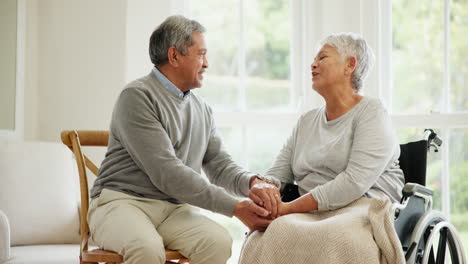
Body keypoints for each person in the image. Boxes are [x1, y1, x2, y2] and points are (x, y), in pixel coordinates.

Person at [87, 15, 280, 264]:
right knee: (146, 249)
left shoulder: (202, 109)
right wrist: (234, 207)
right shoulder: (137, 96)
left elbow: (219, 166)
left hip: (174, 210)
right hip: (122, 203)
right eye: (201, 54)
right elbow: (167, 172)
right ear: (174, 56)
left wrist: (252, 182)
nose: (207, 63)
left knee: (217, 242)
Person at [240, 32, 406, 264]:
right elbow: (277, 174)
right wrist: (264, 192)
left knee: (336, 238)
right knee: (265, 235)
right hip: (309, 213)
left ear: (350, 65)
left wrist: (287, 209)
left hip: (361, 207)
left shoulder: (371, 112)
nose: (313, 64)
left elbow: (353, 182)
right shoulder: (307, 121)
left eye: (322, 57)